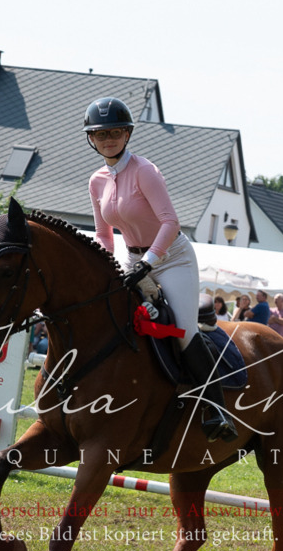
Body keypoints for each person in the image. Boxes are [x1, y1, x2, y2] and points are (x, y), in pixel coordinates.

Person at [84, 96, 237, 442]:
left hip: (172, 258)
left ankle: (217, 409)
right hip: (132, 259)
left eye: (115, 132)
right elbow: (104, 235)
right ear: (91, 139)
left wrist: (149, 262)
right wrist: (106, 268)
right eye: (101, 134)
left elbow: (170, 223)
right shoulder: (96, 181)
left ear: (127, 134)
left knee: (183, 331)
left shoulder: (145, 171)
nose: (108, 139)